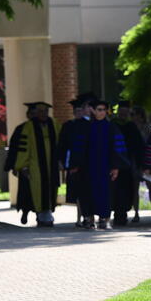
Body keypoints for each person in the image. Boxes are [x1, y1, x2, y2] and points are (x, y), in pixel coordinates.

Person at [69, 99, 128, 229]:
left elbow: (118, 149)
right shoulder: (85, 128)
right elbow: (78, 148)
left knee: (106, 193)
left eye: (103, 110)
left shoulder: (112, 127)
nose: (102, 112)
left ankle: (104, 219)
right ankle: (89, 219)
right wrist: (75, 165)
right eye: (99, 110)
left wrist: (116, 166)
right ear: (93, 111)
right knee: (87, 192)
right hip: (88, 167)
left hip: (105, 167)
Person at [11, 102, 61, 227]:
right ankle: (41, 215)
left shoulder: (55, 124)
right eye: (40, 111)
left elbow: (61, 144)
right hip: (35, 165)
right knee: (37, 190)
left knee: (51, 188)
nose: (43, 114)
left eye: (45, 111)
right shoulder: (28, 127)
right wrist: (23, 165)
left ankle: (47, 213)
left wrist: (61, 161)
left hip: (51, 165)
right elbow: (24, 148)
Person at [57, 94, 93, 227]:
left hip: (86, 164)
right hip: (72, 163)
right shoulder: (68, 126)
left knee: (86, 192)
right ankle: (80, 217)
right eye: (76, 111)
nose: (79, 113)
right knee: (77, 192)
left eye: (80, 110)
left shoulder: (89, 125)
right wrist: (61, 161)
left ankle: (87, 217)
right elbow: (61, 145)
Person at [111, 100, 145, 226]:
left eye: (126, 112)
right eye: (121, 112)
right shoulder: (112, 125)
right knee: (115, 190)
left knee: (127, 190)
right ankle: (116, 214)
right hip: (114, 163)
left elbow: (139, 146)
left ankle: (122, 214)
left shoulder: (131, 126)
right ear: (118, 112)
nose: (123, 114)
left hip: (127, 163)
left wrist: (140, 163)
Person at [4, 104, 37, 224]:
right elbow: (14, 148)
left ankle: (40, 215)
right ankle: (25, 213)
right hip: (25, 167)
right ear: (27, 115)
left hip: (39, 167)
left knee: (39, 191)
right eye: (32, 114)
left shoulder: (44, 127)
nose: (34, 116)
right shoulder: (21, 129)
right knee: (25, 192)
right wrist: (14, 166)